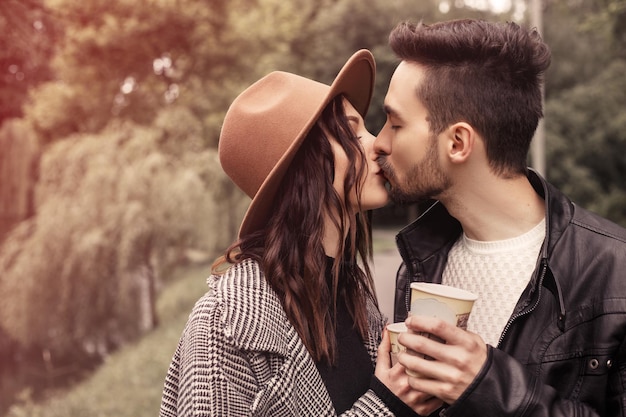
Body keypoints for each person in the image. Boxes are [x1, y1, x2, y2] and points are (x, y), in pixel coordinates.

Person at [374, 19, 626, 417]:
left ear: (457, 142)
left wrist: (489, 385)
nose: (379, 142)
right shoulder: (422, 262)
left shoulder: (616, 273)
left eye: (396, 123)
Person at [159, 50, 429, 417]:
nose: (378, 144)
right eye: (353, 132)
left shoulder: (352, 297)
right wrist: (382, 407)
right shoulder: (225, 323)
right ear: (306, 164)